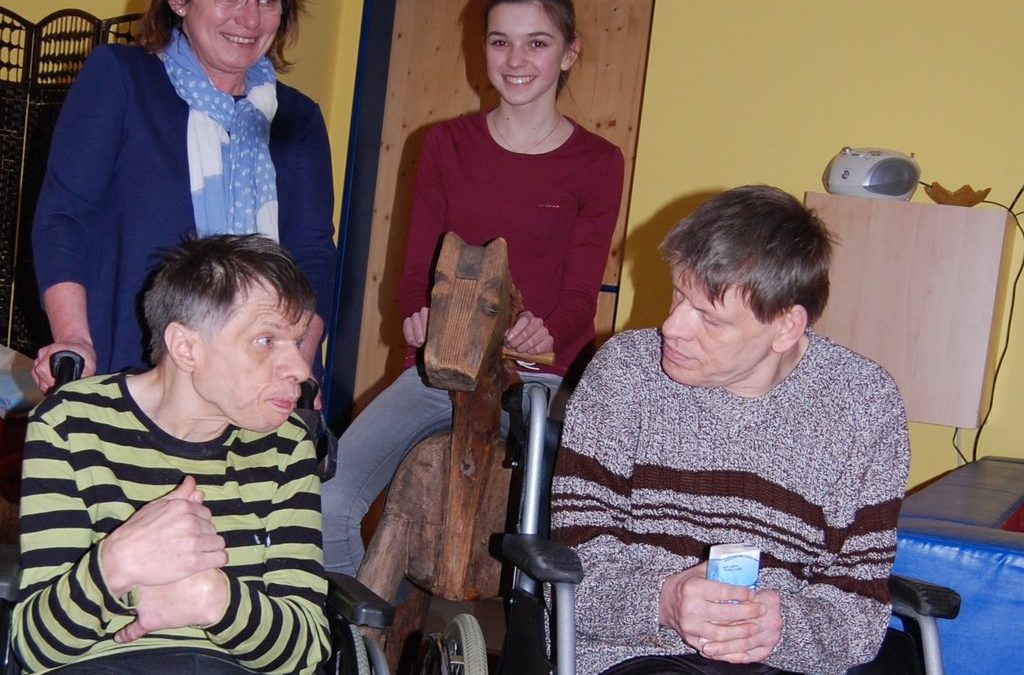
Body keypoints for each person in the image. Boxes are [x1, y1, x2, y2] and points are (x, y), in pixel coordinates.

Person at [550, 186, 910, 675]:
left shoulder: (864, 406)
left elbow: (859, 612)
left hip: (780, 663)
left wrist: (781, 629)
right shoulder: (625, 373)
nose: (673, 327)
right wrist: (664, 601)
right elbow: (570, 573)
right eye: (679, 295)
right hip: (632, 652)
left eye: (709, 318)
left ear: (786, 327)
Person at [320, 0, 625, 577]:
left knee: (570, 539)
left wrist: (548, 331)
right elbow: (417, 270)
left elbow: (580, 297)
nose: (516, 59)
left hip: (537, 381)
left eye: (537, 43)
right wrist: (417, 314)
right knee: (327, 502)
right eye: (499, 41)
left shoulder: (598, 162)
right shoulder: (445, 144)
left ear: (569, 54)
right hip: (441, 373)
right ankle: (364, 631)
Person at [14, 235, 331, 674]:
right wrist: (116, 562)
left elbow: (308, 650)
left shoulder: (288, 444)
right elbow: (36, 648)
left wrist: (213, 599)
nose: (299, 369)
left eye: (296, 343)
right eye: (265, 341)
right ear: (186, 347)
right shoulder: (70, 422)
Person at [31, 0, 336, 392]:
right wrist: (74, 338)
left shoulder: (298, 119)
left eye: (267, 1)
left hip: (258, 386)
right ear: (178, 2)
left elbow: (313, 255)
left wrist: (298, 362)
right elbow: (65, 217)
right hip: (129, 371)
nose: (249, 18)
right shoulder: (122, 78)